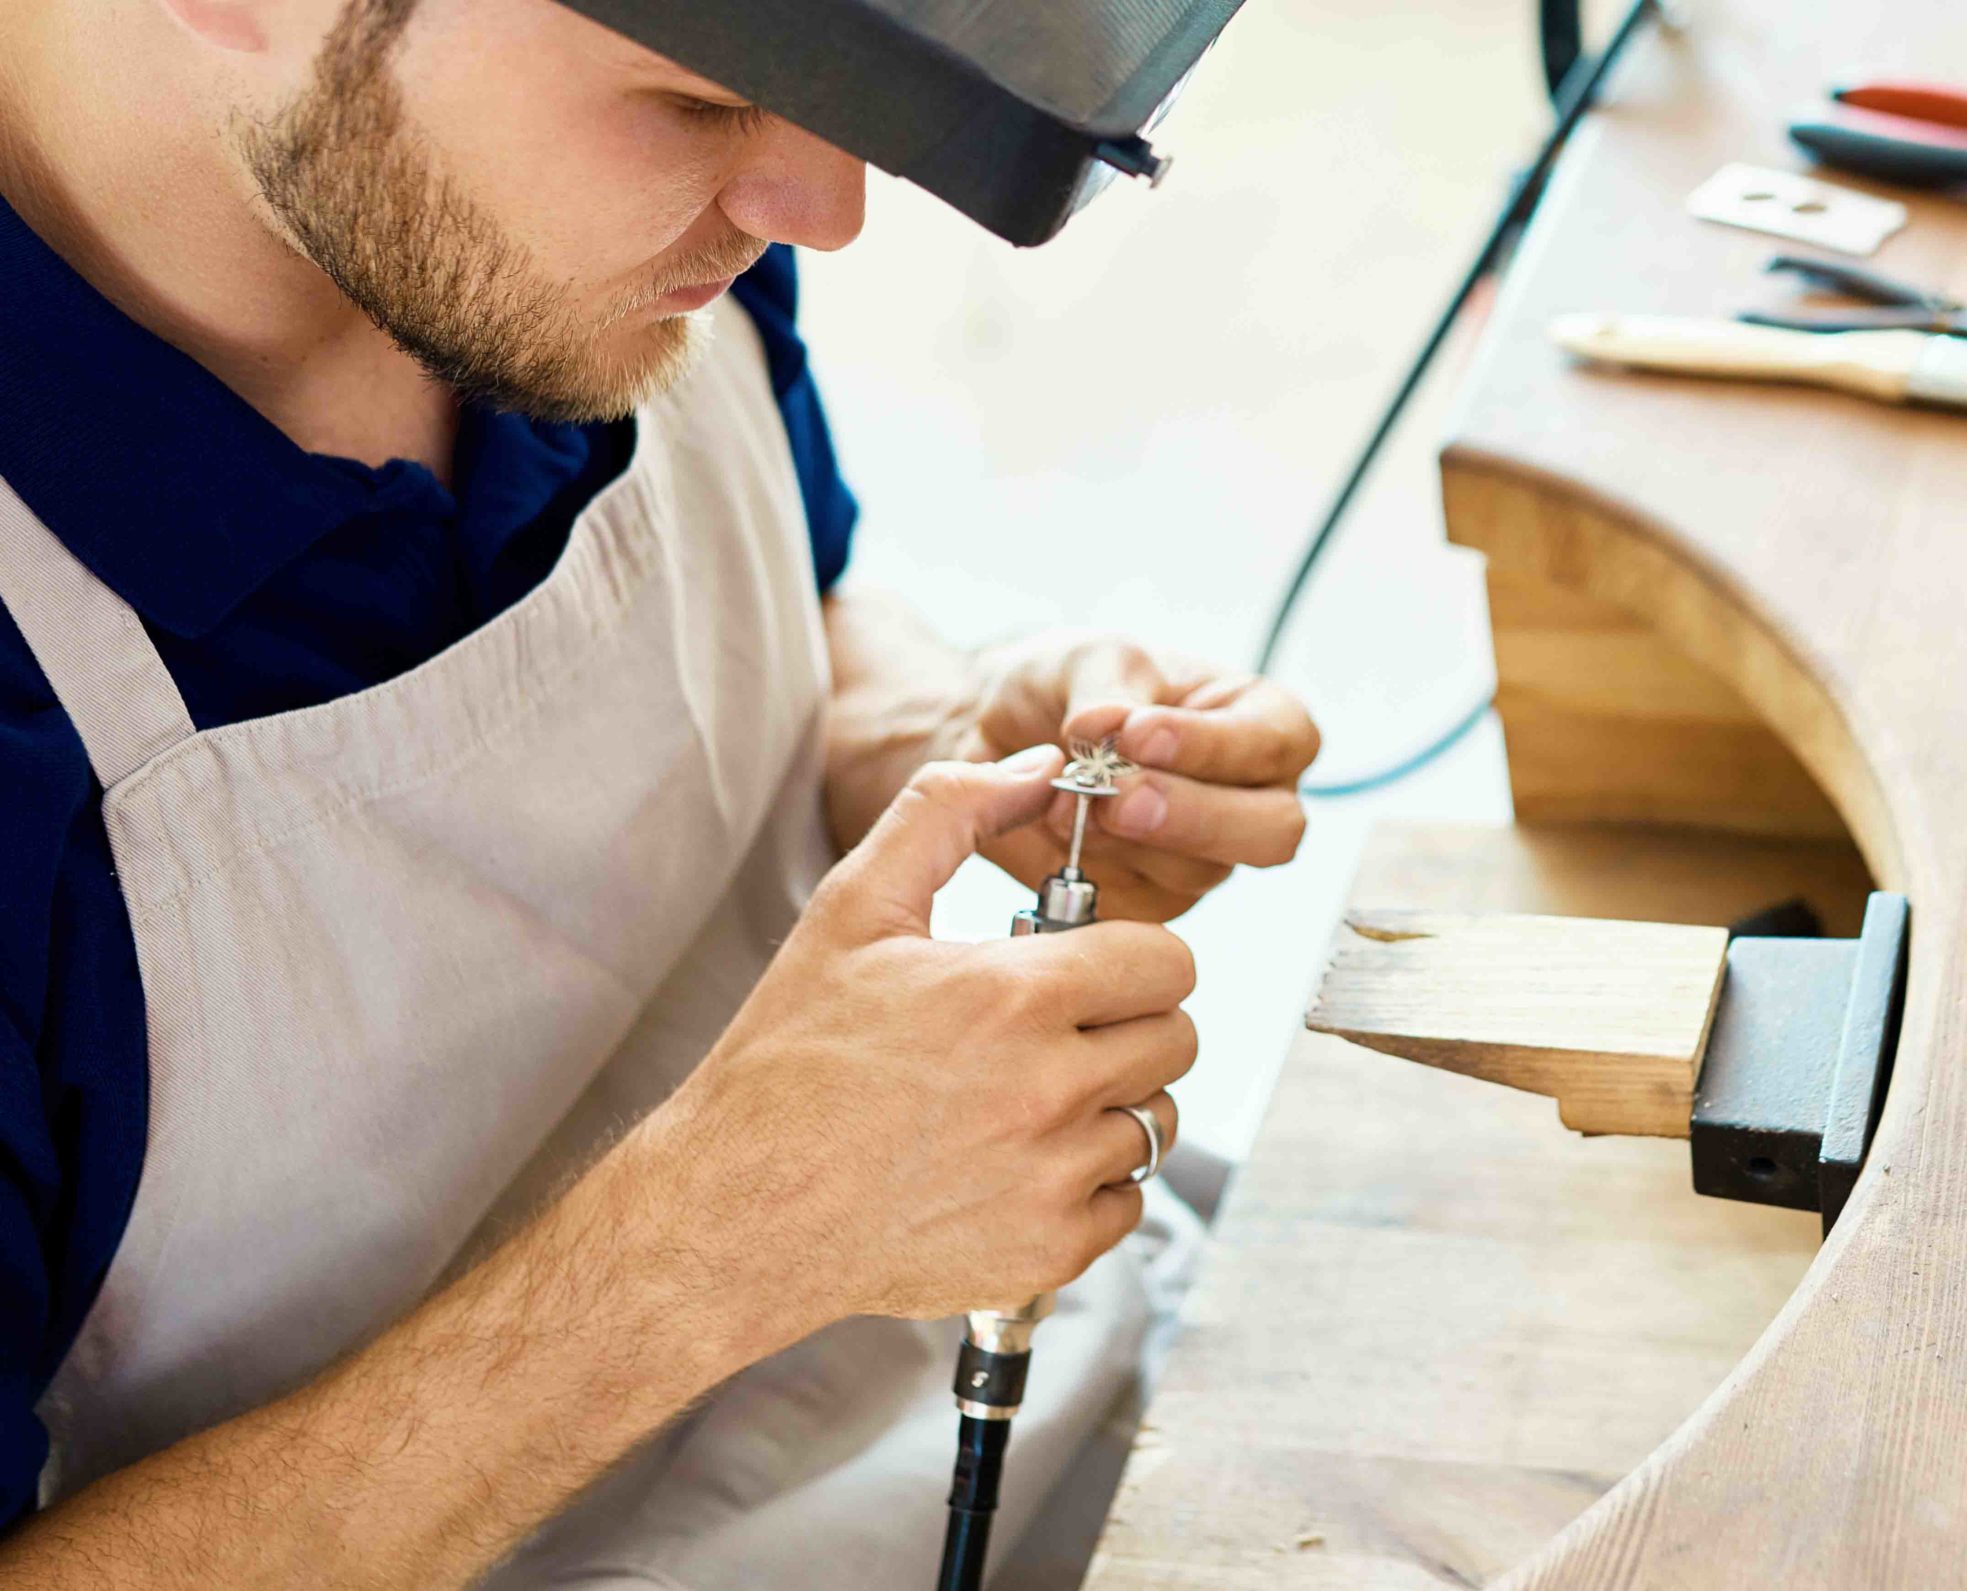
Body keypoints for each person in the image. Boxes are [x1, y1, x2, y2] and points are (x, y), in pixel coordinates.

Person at [0, 0, 1320, 1583]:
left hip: (1047, 1396)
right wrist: (696, 1260)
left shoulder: (528, 205)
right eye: (702, 104)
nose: (824, 207)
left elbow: (785, 598)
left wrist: (935, 733)